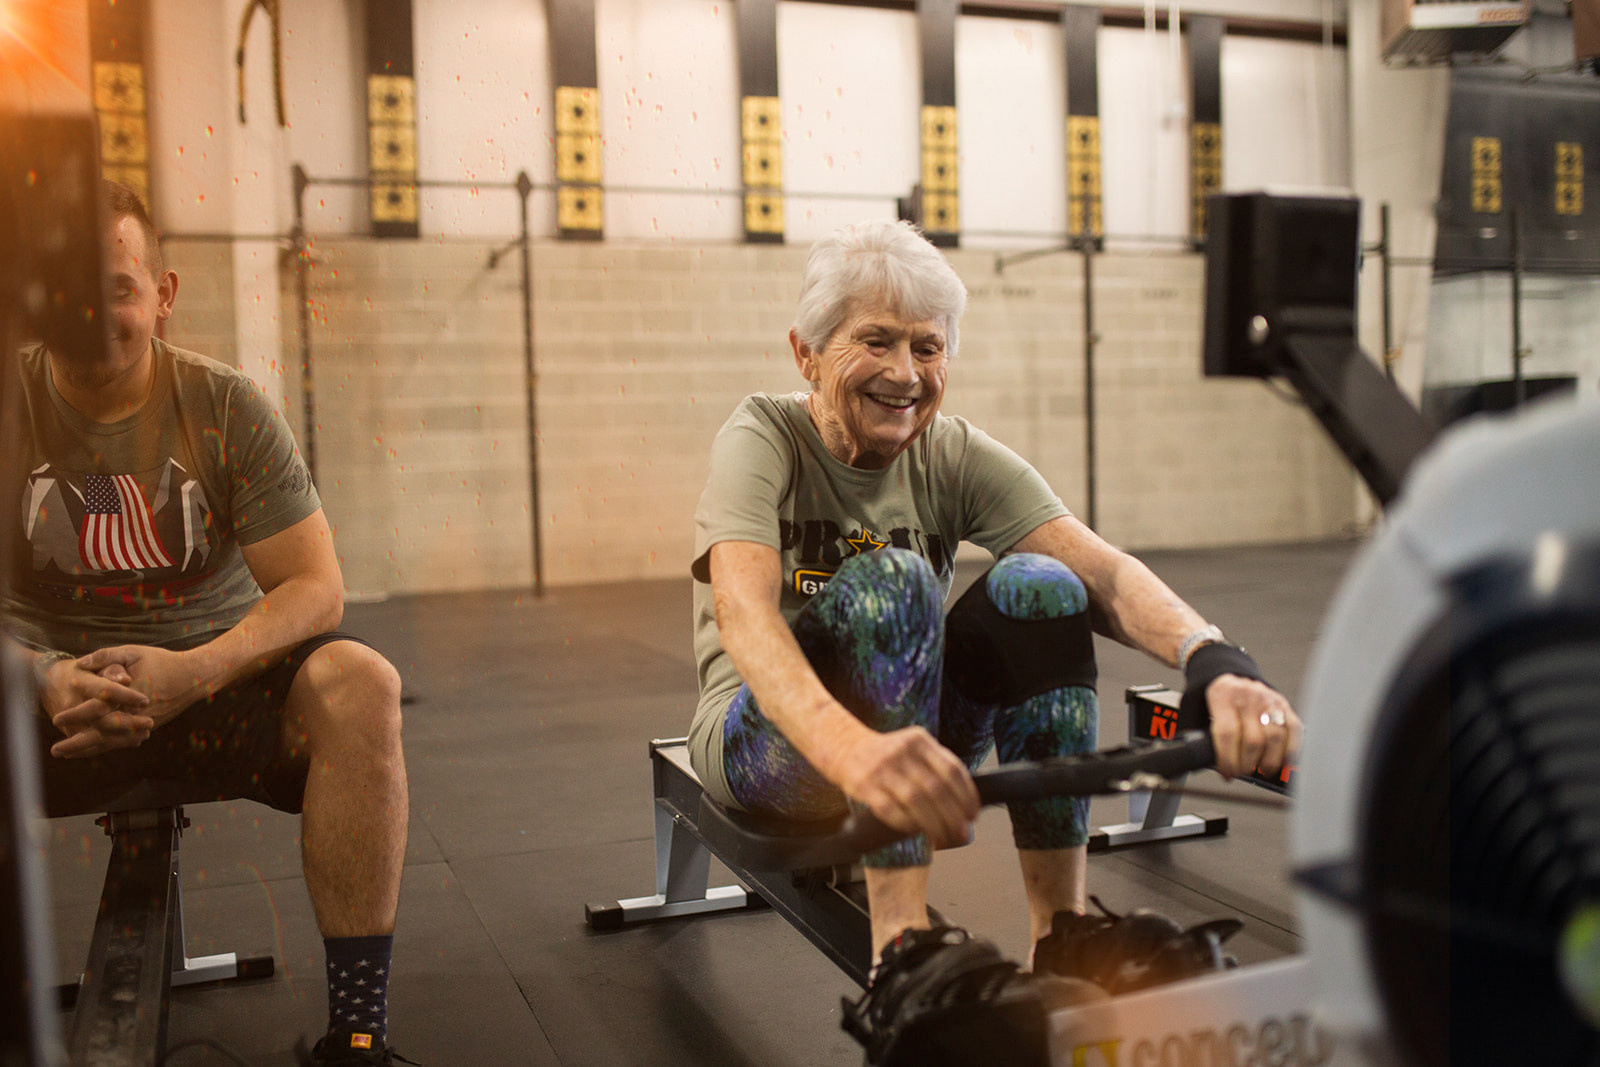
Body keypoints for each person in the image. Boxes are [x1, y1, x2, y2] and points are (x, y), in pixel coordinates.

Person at [689, 219, 1302, 1054]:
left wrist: (1217, 663)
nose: (906, 374)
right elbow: (745, 616)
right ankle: (898, 951)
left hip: (904, 746)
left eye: (927, 348)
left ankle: (1064, 930)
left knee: (1044, 585)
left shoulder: (951, 453)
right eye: (876, 341)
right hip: (769, 745)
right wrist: (852, 751)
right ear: (807, 354)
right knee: (894, 580)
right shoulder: (762, 438)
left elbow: (1104, 571)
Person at [3, 181, 413, 1067]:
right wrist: (38, 676)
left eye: (118, 286)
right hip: (45, 714)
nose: (94, 312)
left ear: (163, 294)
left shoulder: (224, 406)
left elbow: (316, 587)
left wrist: (197, 670)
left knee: (362, 686)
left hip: (210, 703)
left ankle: (357, 1032)